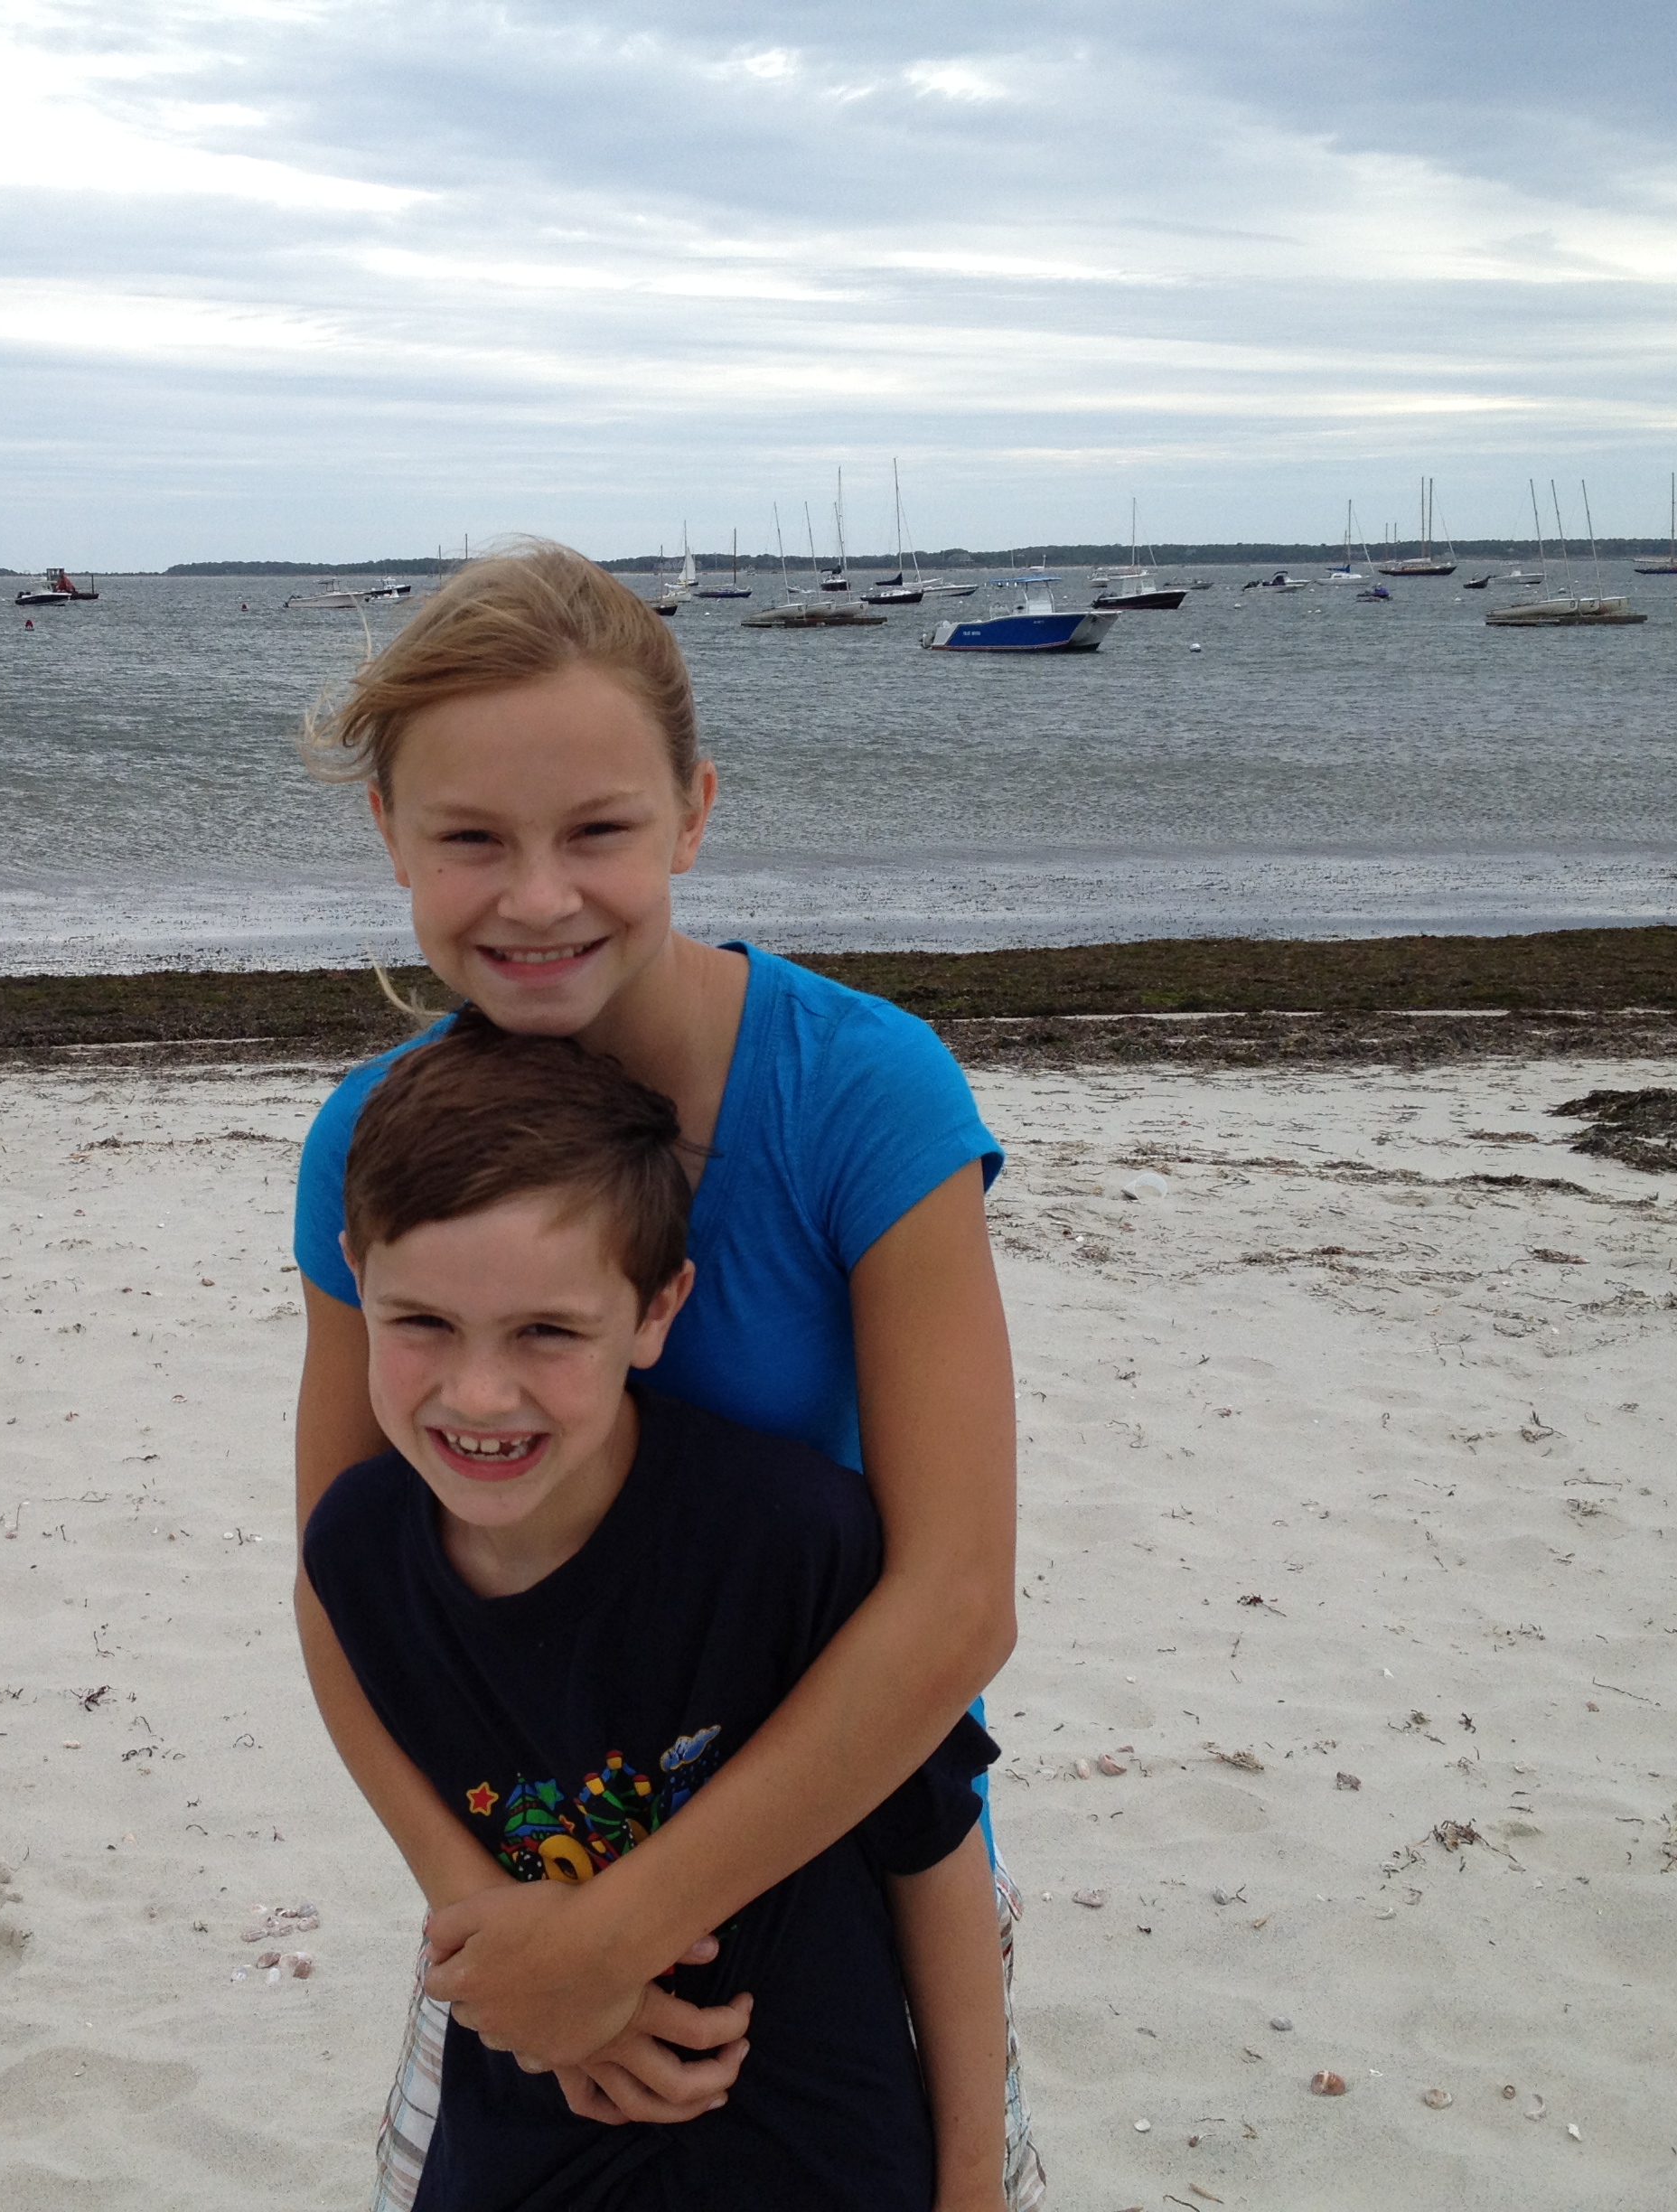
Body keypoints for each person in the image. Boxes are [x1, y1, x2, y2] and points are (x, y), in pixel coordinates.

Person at [289, 541, 1042, 2207]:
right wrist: (514, 1946)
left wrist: (617, 1937)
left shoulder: (863, 1097)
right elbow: (345, 1583)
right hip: (519, 1880)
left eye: (598, 832)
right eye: (471, 839)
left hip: (855, 1856)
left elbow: (958, 1604)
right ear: (391, 836)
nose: (536, 898)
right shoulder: (372, 1141)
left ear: (693, 815)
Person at [304, 1016, 1006, 2210]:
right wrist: (541, 1986)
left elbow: (935, 1857)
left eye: (547, 1331)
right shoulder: (360, 1551)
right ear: (355, 1281)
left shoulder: (795, 1543)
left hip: (820, 2154)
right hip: (523, 2129)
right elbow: (366, 1698)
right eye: (423, 1323)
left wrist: (974, 2183)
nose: (481, 1393)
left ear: (656, 1309)